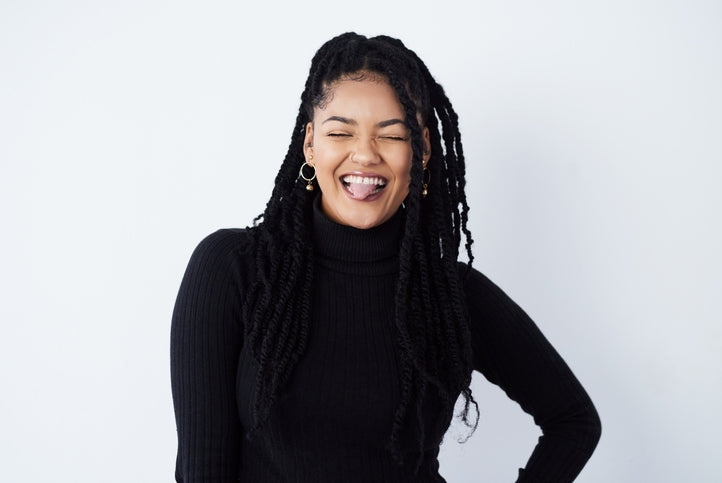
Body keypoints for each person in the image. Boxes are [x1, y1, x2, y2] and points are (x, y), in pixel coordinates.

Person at [170, 32, 601, 482]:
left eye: (392, 136)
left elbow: (573, 422)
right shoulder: (232, 270)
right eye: (341, 132)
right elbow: (202, 471)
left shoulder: (452, 297)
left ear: (423, 151)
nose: (365, 155)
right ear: (310, 144)